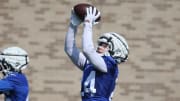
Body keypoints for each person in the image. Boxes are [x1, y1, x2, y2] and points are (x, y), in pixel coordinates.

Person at [64, 6, 129, 101]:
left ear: (115, 50)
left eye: (105, 45)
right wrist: (73, 25)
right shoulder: (91, 64)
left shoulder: (110, 64)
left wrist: (88, 24)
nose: (99, 47)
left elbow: (87, 50)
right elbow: (69, 49)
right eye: (100, 44)